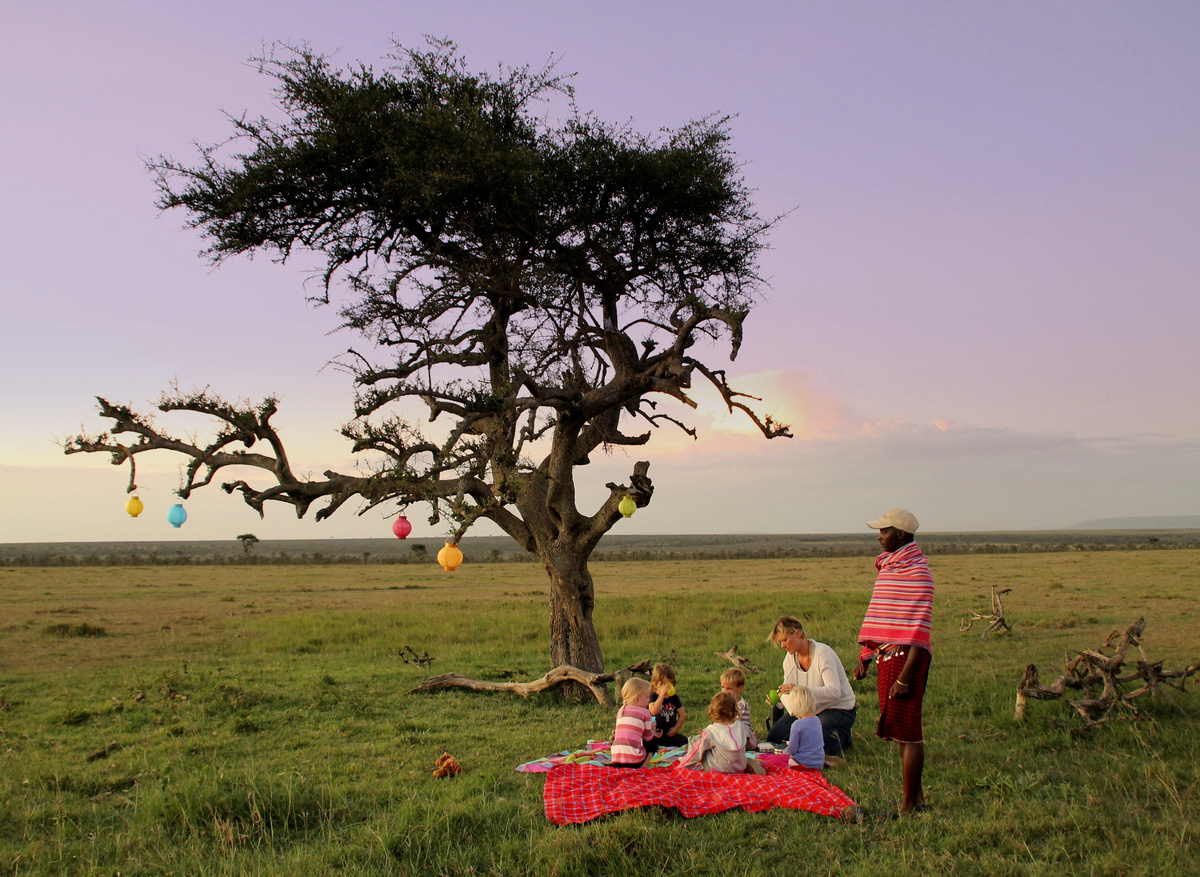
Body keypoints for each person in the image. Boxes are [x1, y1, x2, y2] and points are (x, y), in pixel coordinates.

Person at [853, 508, 934, 815]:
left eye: (884, 531)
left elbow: (918, 632)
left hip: (907, 660)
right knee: (903, 730)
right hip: (890, 655)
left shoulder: (918, 575)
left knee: (910, 732)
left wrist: (905, 678)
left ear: (901, 534)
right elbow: (887, 619)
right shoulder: (892, 568)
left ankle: (907, 806)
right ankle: (917, 799)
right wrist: (870, 655)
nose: (879, 536)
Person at [764, 617, 856, 756]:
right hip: (807, 709)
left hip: (837, 708)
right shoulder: (789, 660)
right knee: (774, 739)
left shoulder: (822, 654)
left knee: (820, 747)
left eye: (785, 640)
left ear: (798, 634)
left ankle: (843, 735)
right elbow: (789, 692)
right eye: (780, 642)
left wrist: (798, 690)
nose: (783, 646)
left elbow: (834, 692)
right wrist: (780, 698)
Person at [675, 691, 748, 773]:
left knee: (696, 741)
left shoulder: (711, 732)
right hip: (739, 768)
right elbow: (752, 742)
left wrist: (682, 766)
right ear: (734, 710)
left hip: (718, 770)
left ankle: (686, 762)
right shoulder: (741, 726)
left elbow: (697, 751)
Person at [610, 677, 659, 768]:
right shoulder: (645, 713)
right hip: (635, 761)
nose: (649, 700)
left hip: (617, 759)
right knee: (653, 743)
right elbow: (648, 737)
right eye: (647, 697)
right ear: (636, 699)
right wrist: (652, 728)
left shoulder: (621, 710)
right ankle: (644, 765)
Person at [779, 687, 825, 770]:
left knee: (774, 761)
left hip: (803, 764)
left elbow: (792, 749)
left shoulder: (797, 725)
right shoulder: (817, 720)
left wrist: (783, 752)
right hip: (819, 764)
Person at [648, 662, 688, 748]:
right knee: (650, 745)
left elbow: (682, 715)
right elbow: (653, 711)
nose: (666, 689)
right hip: (656, 734)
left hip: (670, 733)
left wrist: (675, 729)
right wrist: (661, 696)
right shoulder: (653, 696)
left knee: (686, 742)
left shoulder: (674, 697)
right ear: (655, 684)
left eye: (669, 685)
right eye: (663, 685)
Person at [720, 667, 759, 750]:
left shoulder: (741, 705)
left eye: (729, 688)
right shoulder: (722, 703)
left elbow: (737, 726)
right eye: (723, 687)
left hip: (743, 737)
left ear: (740, 689)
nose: (724, 691)